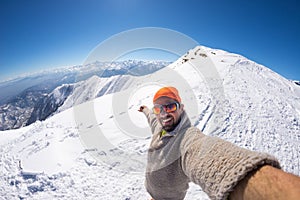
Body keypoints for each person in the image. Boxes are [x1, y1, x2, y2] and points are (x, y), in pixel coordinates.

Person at [138, 86, 300, 200]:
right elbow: (152, 118)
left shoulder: (186, 138)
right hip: (153, 192)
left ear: (181, 108)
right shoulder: (159, 125)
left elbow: (205, 153)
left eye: (171, 106)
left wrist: (244, 176)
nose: (164, 113)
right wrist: (145, 109)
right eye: (159, 109)